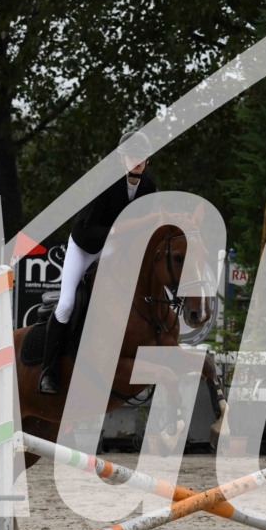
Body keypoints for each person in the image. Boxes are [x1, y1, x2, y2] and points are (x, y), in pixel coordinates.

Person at [37, 131, 157, 395]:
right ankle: (48, 371)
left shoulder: (148, 185)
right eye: (132, 155)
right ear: (122, 158)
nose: (137, 160)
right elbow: (93, 227)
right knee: (67, 304)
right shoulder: (108, 181)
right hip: (85, 244)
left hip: (115, 246)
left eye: (142, 155)